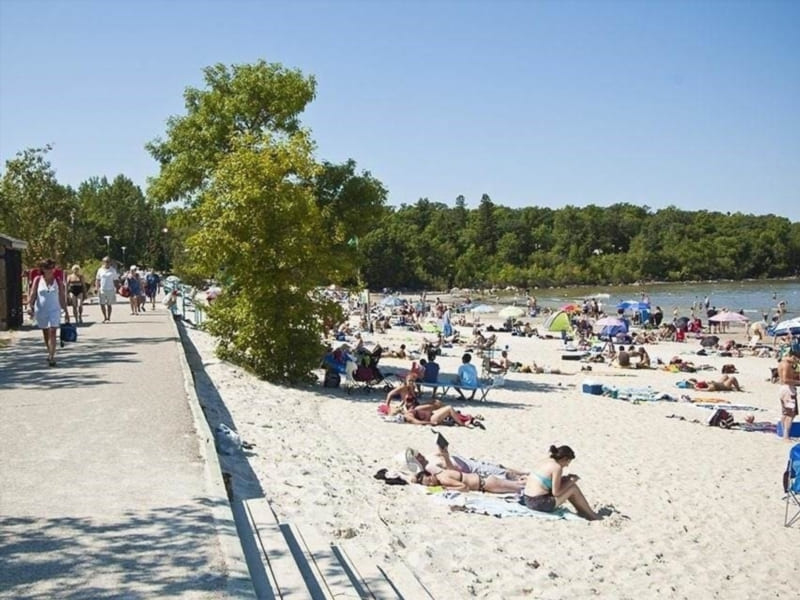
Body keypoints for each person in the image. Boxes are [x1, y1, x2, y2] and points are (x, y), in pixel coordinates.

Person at [523, 445, 600, 521]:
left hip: (527, 499)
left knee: (569, 486)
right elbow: (556, 493)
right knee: (573, 488)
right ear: (564, 459)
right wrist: (571, 481)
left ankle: (583, 511)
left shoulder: (546, 461)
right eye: (568, 462)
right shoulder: (557, 467)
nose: (567, 465)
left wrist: (565, 480)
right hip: (539, 503)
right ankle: (592, 515)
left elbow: (546, 481)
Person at [27, 258, 69, 367]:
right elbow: (33, 294)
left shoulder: (58, 281)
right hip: (41, 310)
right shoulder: (37, 279)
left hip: (54, 310)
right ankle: (49, 350)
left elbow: (61, 297)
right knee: (46, 333)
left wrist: (66, 311)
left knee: (53, 331)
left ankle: (52, 356)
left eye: (51, 267)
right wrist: (29, 305)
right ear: (42, 269)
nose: (49, 270)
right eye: (47, 268)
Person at [408, 444, 527, 481]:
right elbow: (451, 472)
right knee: (504, 474)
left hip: (468, 461)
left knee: (499, 466)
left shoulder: (429, 457)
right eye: (417, 455)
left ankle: (524, 474)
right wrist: (446, 456)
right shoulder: (430, 467)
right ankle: (527, 479)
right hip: (471, 470)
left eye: (417, 452)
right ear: (416, 461)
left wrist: (442, 450)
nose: (420, 454)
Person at [413, 465, 524, 494]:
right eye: (428, 485)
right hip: (483, 478)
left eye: (430, 481)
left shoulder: (443, 479)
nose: (431, 484)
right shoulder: (441, 472)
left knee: (520, 488)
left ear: (431, 476)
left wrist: (443, 489)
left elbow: (464, 487)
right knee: (520, 485)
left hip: (485, 483)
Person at [777, 349, 800, 441]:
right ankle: (786, 436)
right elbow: (786, 379)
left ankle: (783, 432)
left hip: (784, 389)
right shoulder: (786, 365)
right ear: (793, 357)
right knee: (790, 414)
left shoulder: (782, 363)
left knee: (786, 413)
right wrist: (798, 382)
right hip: (788, 390)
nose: (796, 362)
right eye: (796, 360)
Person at [94, 256, 119, 323]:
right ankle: (105, 317)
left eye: (108, 262)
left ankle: (108, 317)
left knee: (109, 304)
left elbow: (116, 280)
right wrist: (96, 287)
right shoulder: (100, 270)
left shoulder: (113, 270)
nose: (107, 263)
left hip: (110, 289)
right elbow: (97, 279)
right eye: (105, 262)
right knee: (102, 304)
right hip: (102, 289)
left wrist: (118, 288)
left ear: (110, 262)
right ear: (103, 262)